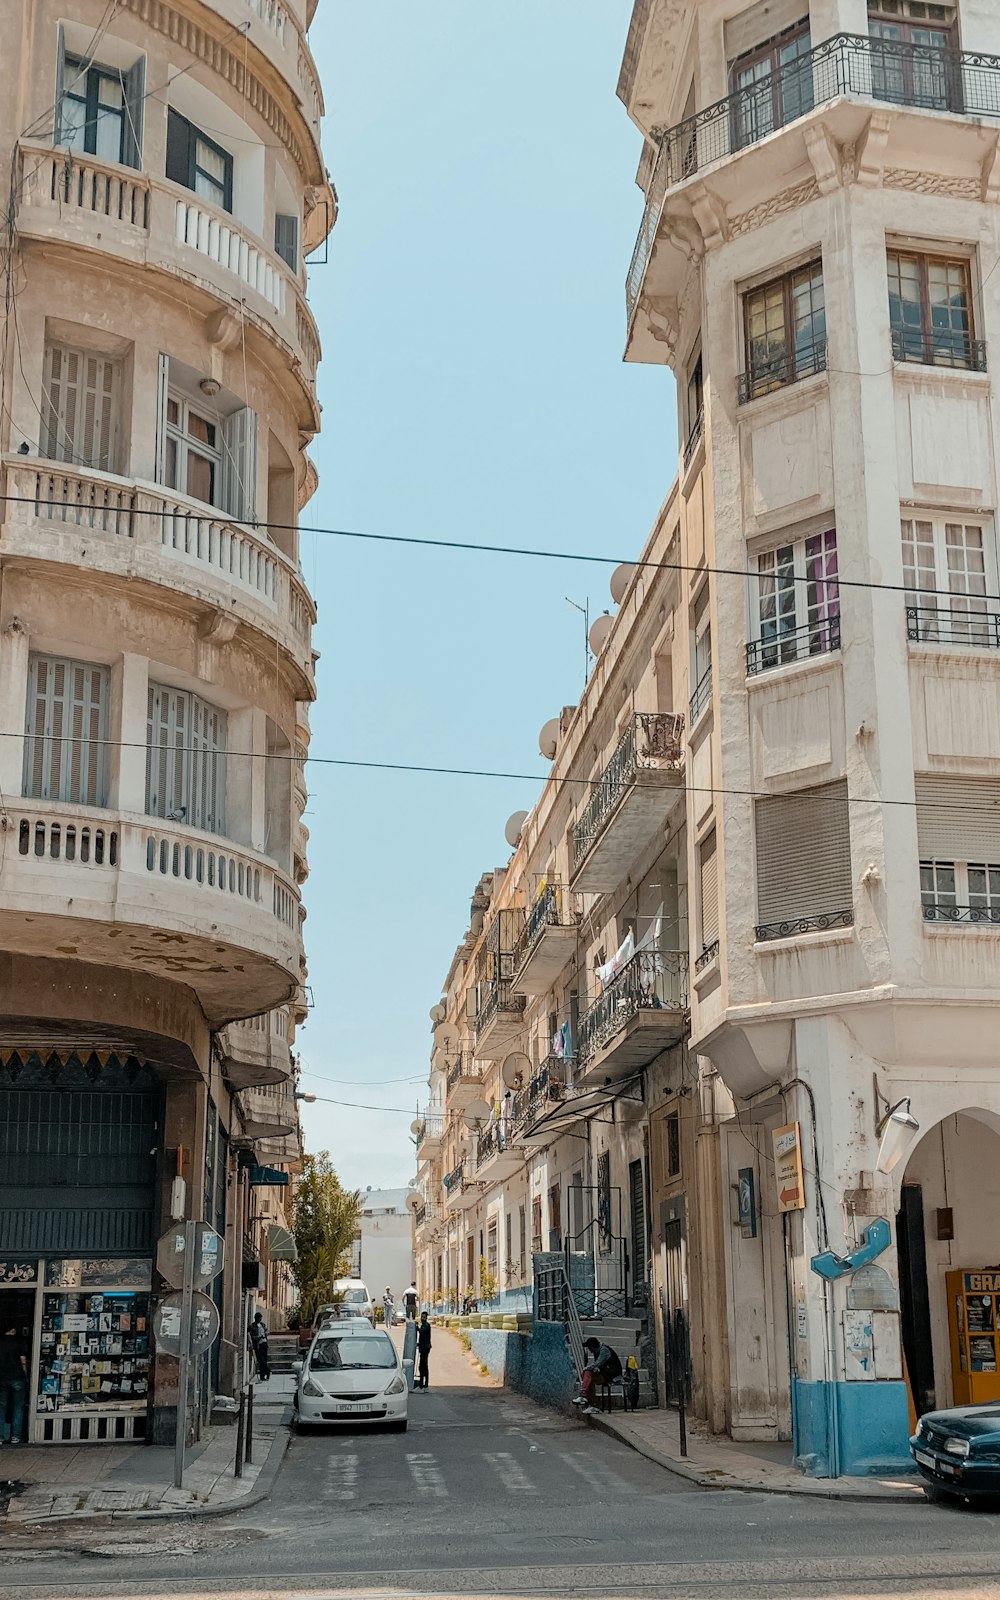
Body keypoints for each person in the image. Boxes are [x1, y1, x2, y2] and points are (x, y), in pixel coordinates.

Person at [571, 1336, 622, 1415]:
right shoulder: (597, 1351)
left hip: (613, 1375)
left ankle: (585, 1397)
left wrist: (585, 1369)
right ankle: (592, 1404)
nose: (590, 1351)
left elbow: (597, 1364)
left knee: (587, 1373)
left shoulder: (604, 1351)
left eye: (589, 1348)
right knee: (588, 1377)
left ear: (593, 1347)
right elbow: (598, 1366)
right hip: (606, 1373)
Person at [0, 1322, 27, 1445]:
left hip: (1, 1377)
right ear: (12, 1329)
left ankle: (0, 1437)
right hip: (17, 1377)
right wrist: (26, 1375)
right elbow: (23, 1361)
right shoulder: (18, 1341)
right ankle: (15, 1437)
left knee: (1, 1407)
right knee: (18, 1407)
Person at [248, 1310, 270, 1381]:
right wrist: (259, 1337)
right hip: (258, 1345)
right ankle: (267, 1371)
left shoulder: (262, 1325)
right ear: (255, 1318)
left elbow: (266, 1331)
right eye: (258, 1318)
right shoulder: (252, 1326)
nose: (260, 1319)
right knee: (261, 1361)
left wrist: (266, 1333)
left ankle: (263, 1375)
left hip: (264, 1344)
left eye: (260, 1318)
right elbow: (252, 1336)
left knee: (264, 1360)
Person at [415, 1311, 432, 1389]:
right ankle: (422, 1383)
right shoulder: (423, 1325)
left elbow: (422, 1332)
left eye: (424, 1317)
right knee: (421, 1366)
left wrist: (416, 1328)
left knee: (423, 1366)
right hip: (422, 1347)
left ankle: (425, 1384)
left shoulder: (426, 1326)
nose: (422, 1319)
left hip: (425, 1348)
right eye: (422, 1317)